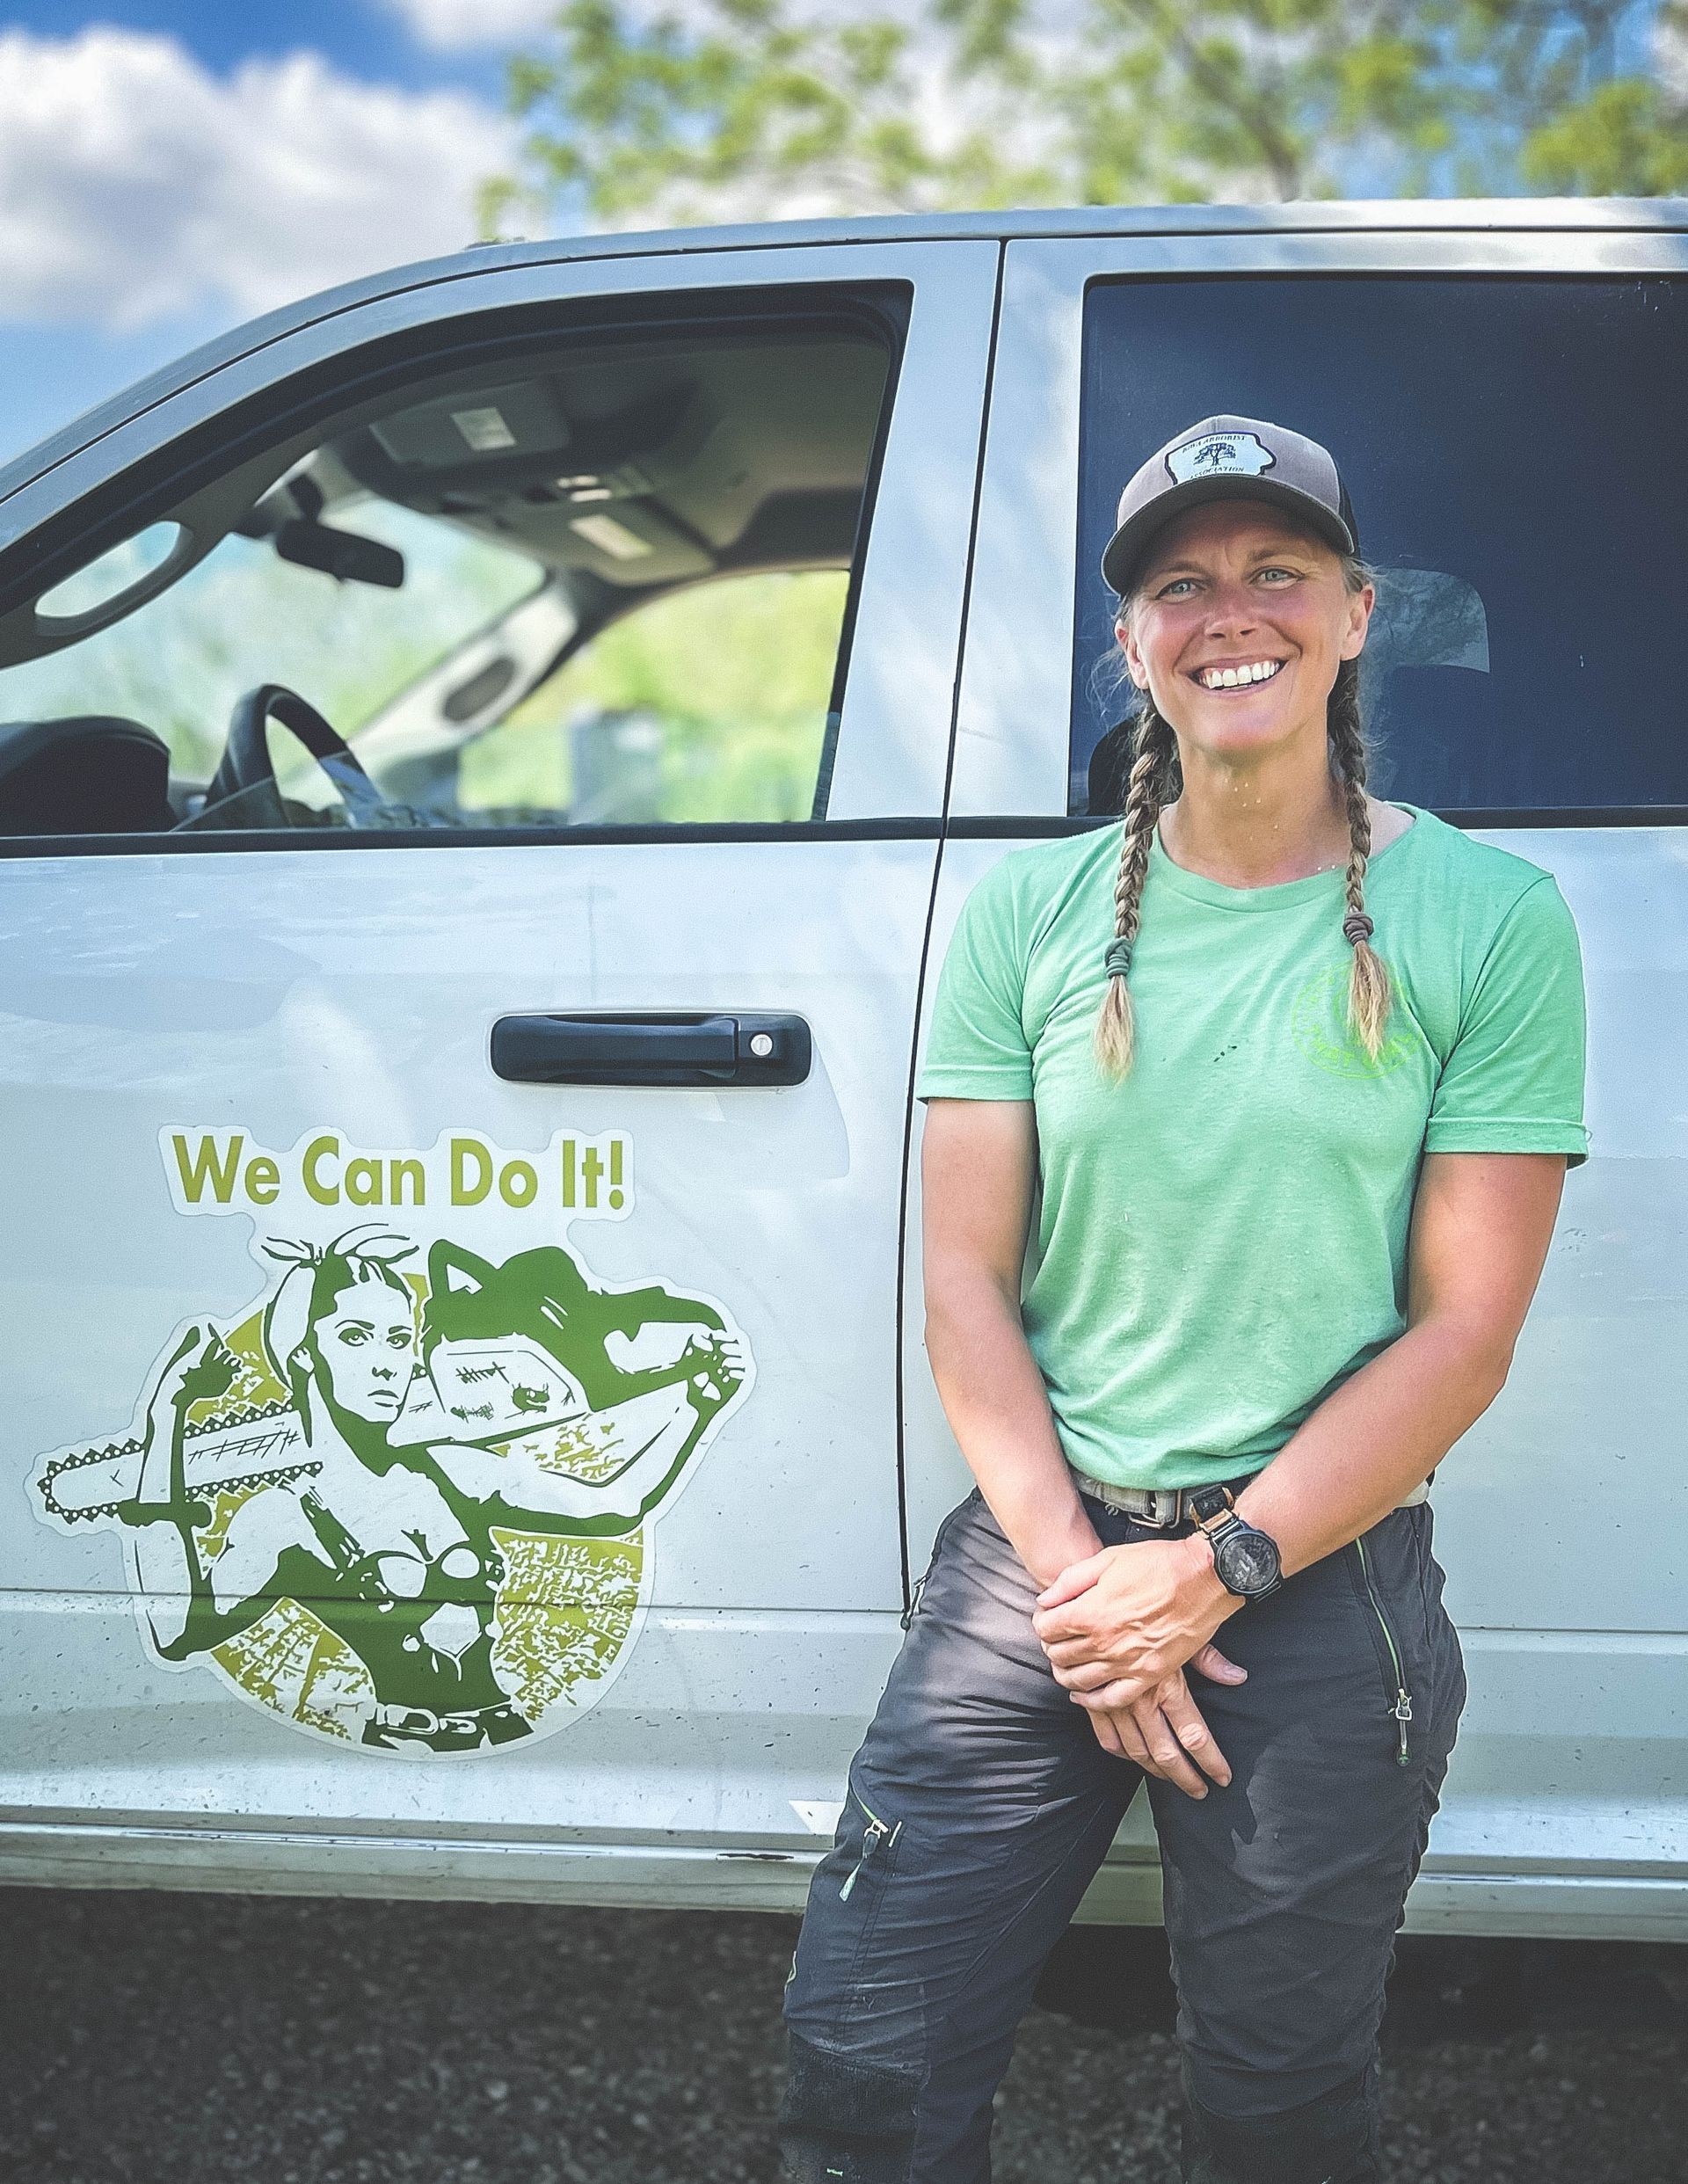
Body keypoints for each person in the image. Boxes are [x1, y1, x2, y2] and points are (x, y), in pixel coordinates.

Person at [777, 414, 1590, 2181]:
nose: (1232, 612)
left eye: (1277, 571)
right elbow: (963, 1277)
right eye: (1181, 583)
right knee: (863, 2065)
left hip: (1313, 1573)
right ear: (1133, 642)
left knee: (1278, 2112)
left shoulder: (1489, 918)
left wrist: (1213, 1571)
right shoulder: (1031, 914)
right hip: (1044, 1560)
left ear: (1356, 616)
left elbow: (1466, 1328)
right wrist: (1090, 1590)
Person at [119, 1226, 745, 1751]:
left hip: (509, 1736)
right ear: (304, 1356)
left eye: (398, 1339)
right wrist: (169, 1416)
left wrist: (696, 1406)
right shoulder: (287, 1517)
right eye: (356, 1337)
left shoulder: (446, 1468)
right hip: (392, 1747)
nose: (387, 1362)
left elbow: (610, 1508)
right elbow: (177, 1631)